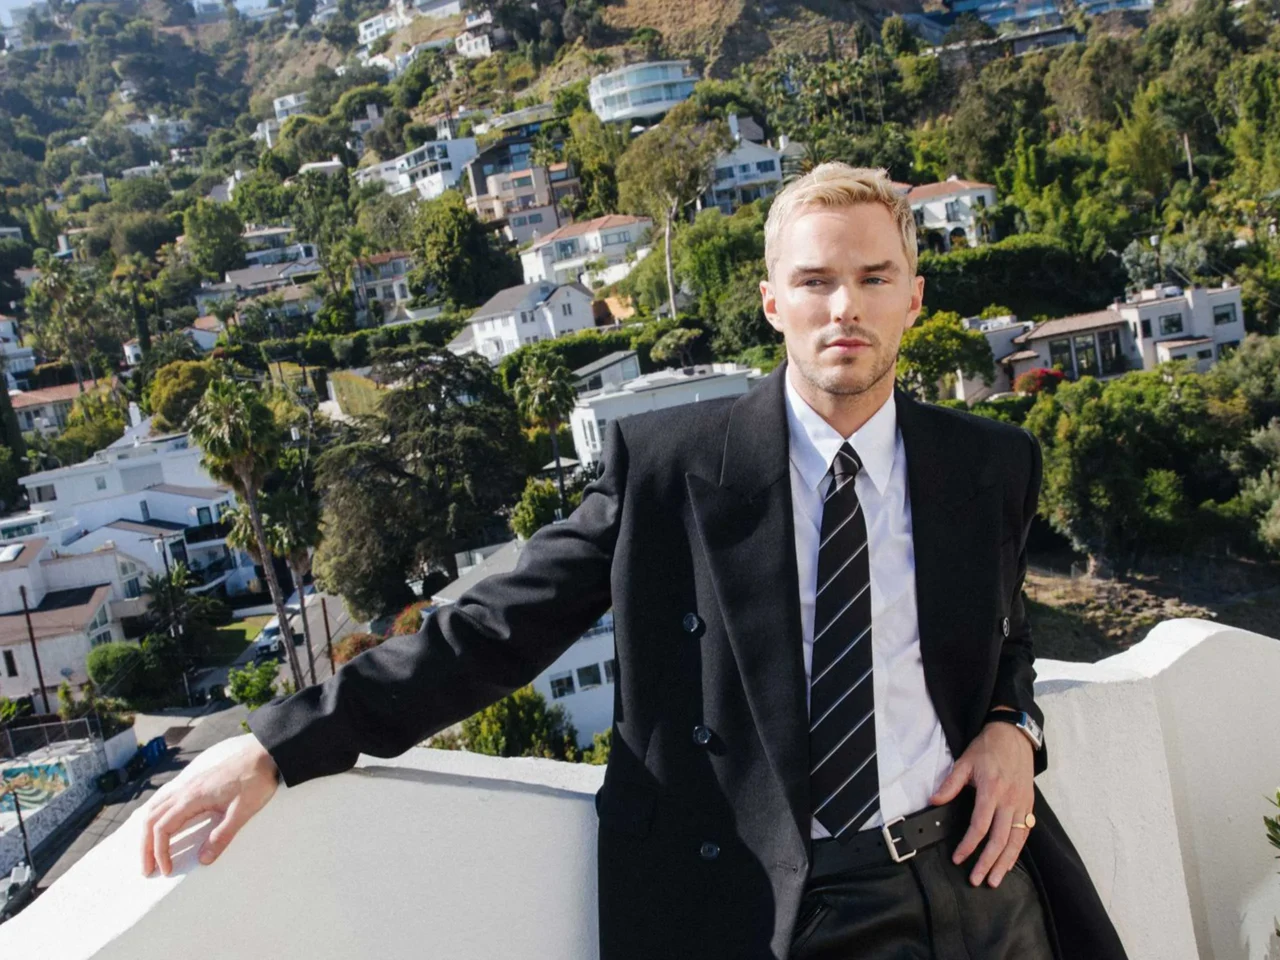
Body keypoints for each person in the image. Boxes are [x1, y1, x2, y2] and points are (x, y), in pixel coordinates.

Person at [140, 163, 1128, 960]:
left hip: (981, 878)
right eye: (815, 281)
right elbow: (492, 628)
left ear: (912, 298)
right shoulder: (672, 471)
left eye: (871, 279)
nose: (844, 310)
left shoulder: (987, 462)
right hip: (798, 904)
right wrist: (278, 744)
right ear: (769, 301)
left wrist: (1012, 726)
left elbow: (1003, 638)